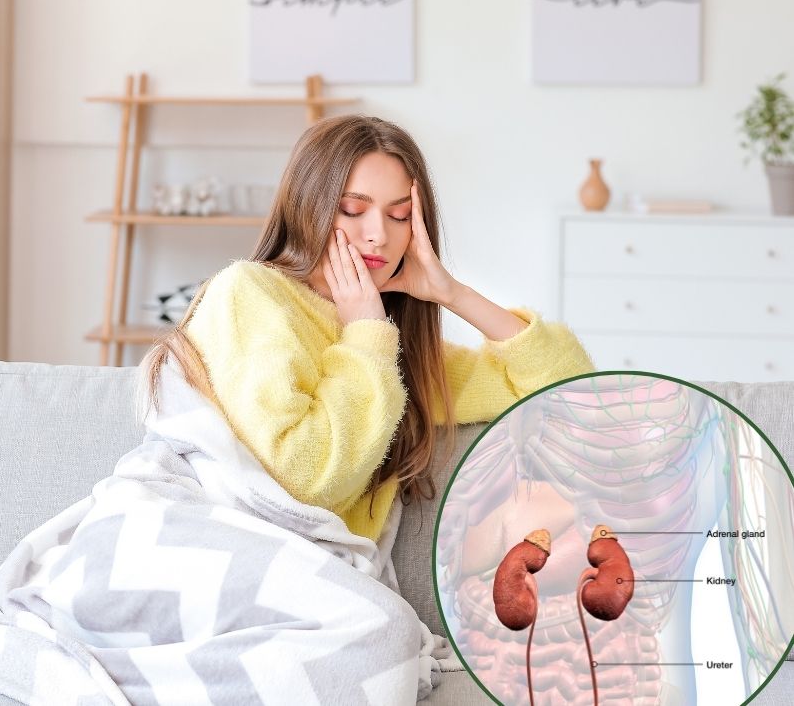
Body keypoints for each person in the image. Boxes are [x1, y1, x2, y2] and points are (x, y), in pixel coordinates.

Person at [138, 114, 596, 543]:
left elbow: (567, 389)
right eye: (353, 209)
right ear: (308, 208)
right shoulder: (250, 292)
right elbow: (305, 480)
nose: (378, 234)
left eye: (400, 216)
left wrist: (453, 294)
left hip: (321, 564)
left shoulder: (385, 341)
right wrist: (366, 334)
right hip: (229, 546)